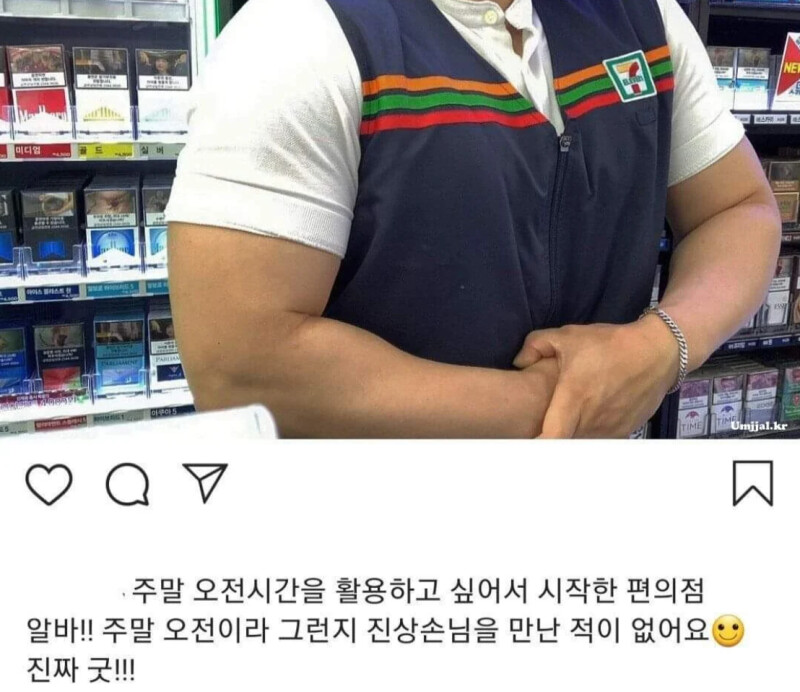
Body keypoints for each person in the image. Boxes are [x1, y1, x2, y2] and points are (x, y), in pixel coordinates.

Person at [166, 0, 781, 438]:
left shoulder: (643, 17)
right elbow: (240, 364)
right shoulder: (296, 34)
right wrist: (566, 401)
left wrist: (660, 345)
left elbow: (738, 208)